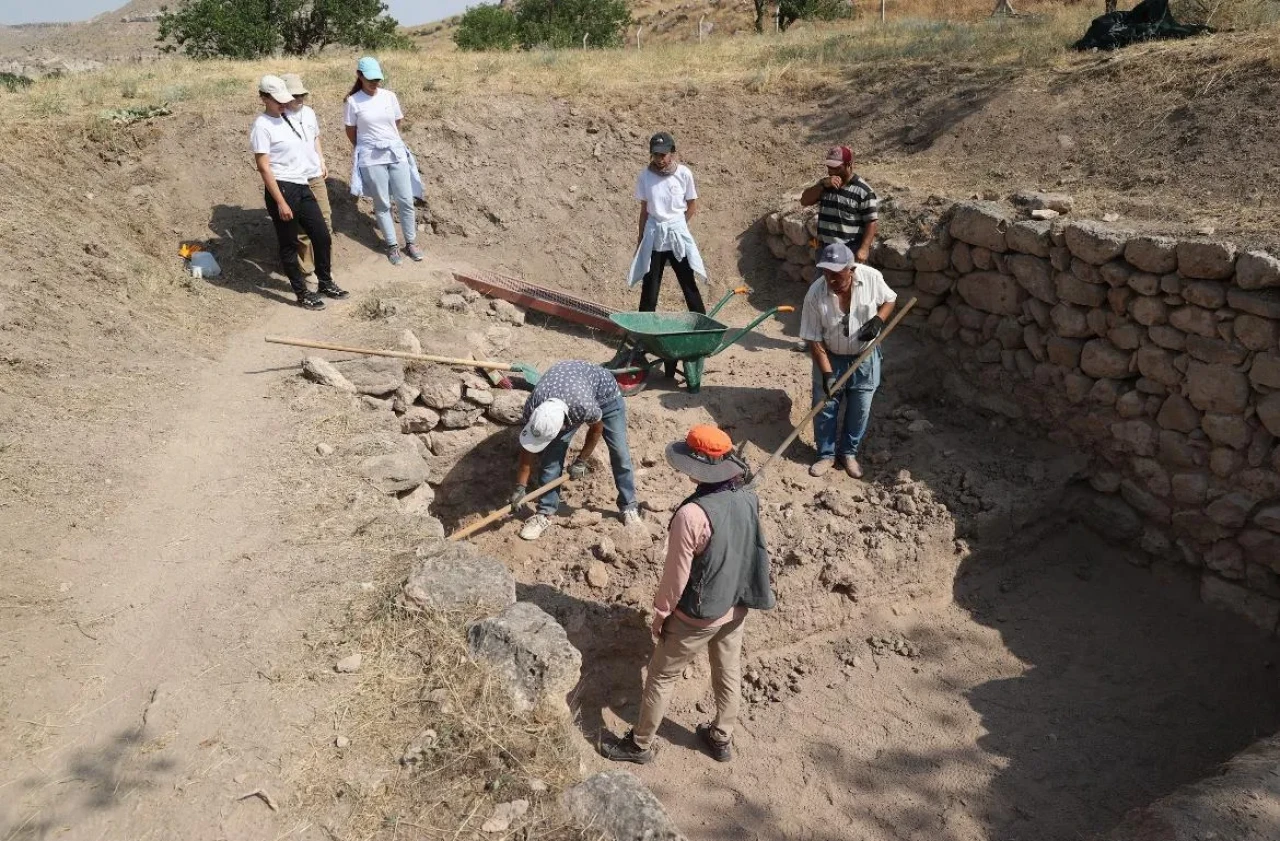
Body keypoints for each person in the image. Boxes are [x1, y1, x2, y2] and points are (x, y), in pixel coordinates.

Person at [602, 424, 774, 765]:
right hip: (736, 603)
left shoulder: (691, 515)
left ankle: (639, 745)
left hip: (698, 614)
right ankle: (721, 737)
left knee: (662, 676)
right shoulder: (748, 497)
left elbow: (676, 577)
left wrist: (662, 614)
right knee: (728, 669)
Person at [510, 361, 642, 542]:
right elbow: (527, 450)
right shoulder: (533, 407)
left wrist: (581, 460)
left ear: (564, 424)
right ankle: (544, 513)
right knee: (551, 459)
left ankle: (629, 506)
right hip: (570, 389)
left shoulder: (583, 407)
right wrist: (520, 487)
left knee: (620, 453)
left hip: (606, 396)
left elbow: (596, 430)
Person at [250, 75, 347, 310]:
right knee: (289, 243)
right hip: (282, 188)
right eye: (278, 101)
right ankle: (302, 293)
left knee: (322, 235)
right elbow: (264, 167)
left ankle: (325, 282)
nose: (284, 104)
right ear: (264, 98)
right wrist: (281, 202)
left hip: (302, 184)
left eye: (284, 99)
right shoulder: (262, 126)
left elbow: (306, 144)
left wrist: (317, 166)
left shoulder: (286, 118)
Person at [800, 242, 897, 479]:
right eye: (826, 273)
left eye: (837, 274)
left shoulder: (872, 278)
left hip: (865, 357)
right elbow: (813, 338)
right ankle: (826, 455)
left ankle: (848, 453)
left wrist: (878, 320)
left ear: (851, 269)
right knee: (825, 407)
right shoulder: (815, 294)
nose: (831, 280)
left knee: (860, 409)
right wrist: (827, 374)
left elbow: (890, 299)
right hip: (830, 357)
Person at [343, 56, 423, 266]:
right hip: (371, 158)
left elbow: (397, 121)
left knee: (405, 199)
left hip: (395, 153)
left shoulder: (389, 96)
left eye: (377, 79)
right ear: (359, 76)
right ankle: (392, 245)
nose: (374, 82)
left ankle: (411, 242)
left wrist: (387, 139)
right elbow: (351, 131)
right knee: (382, 203)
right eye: (370, 79)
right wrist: (366, 146)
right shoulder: (353, 101)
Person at [628, 131, 707, 316]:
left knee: (687, 281)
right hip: (655, 235)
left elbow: (692, 205)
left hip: (676, 235)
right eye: (656, 154)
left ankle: (702, 324)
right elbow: (644, 210)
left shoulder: (684, 174)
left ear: (672, 152)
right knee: (650, 284)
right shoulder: (645, 176)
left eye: (663, 154)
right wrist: (640, 239)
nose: (659, 159)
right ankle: (644, 326)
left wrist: (679, 226)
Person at [280, 73, 330, 278]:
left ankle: (324, 267)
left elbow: (315, 137)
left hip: (314, 174)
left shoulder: (309, 113)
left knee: (325, 220)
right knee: (301, 229)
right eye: (295, 95)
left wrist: (321, 159)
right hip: (294, 178)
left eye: (302, 94)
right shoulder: (278, 118)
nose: (299, 98)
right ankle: (307, 270)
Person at [799, 145, 880, 265]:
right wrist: (822, 185)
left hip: (848, 250)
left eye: (836, 168)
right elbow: (804, 201)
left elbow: (871, 221)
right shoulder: (825, 184)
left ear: (849, 165)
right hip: (825, 250)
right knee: (822, 278)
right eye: (829, 167)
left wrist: (864, 248)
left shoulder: (863, 191)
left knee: (846, 278)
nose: (830, 171)